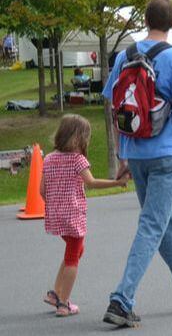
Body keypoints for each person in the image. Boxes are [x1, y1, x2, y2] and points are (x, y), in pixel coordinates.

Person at [102, 0, 172, 327]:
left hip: (135, 151)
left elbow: (114, 106)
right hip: (167, 152)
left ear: (145, 20)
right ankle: (122, 300)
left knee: (165, 221)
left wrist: (123, 149)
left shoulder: (125, 56)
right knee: (153, 224)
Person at [41, 114, 129, 318]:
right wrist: (117, 183)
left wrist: (55, 205)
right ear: (78, 138)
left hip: (56, 215)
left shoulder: (49, 158)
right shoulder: (77, 160)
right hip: (73, 216)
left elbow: (42, 190)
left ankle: (55, 293)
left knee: (76, 250)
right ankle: (64, 304)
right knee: (73, 257)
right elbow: (91, 183)